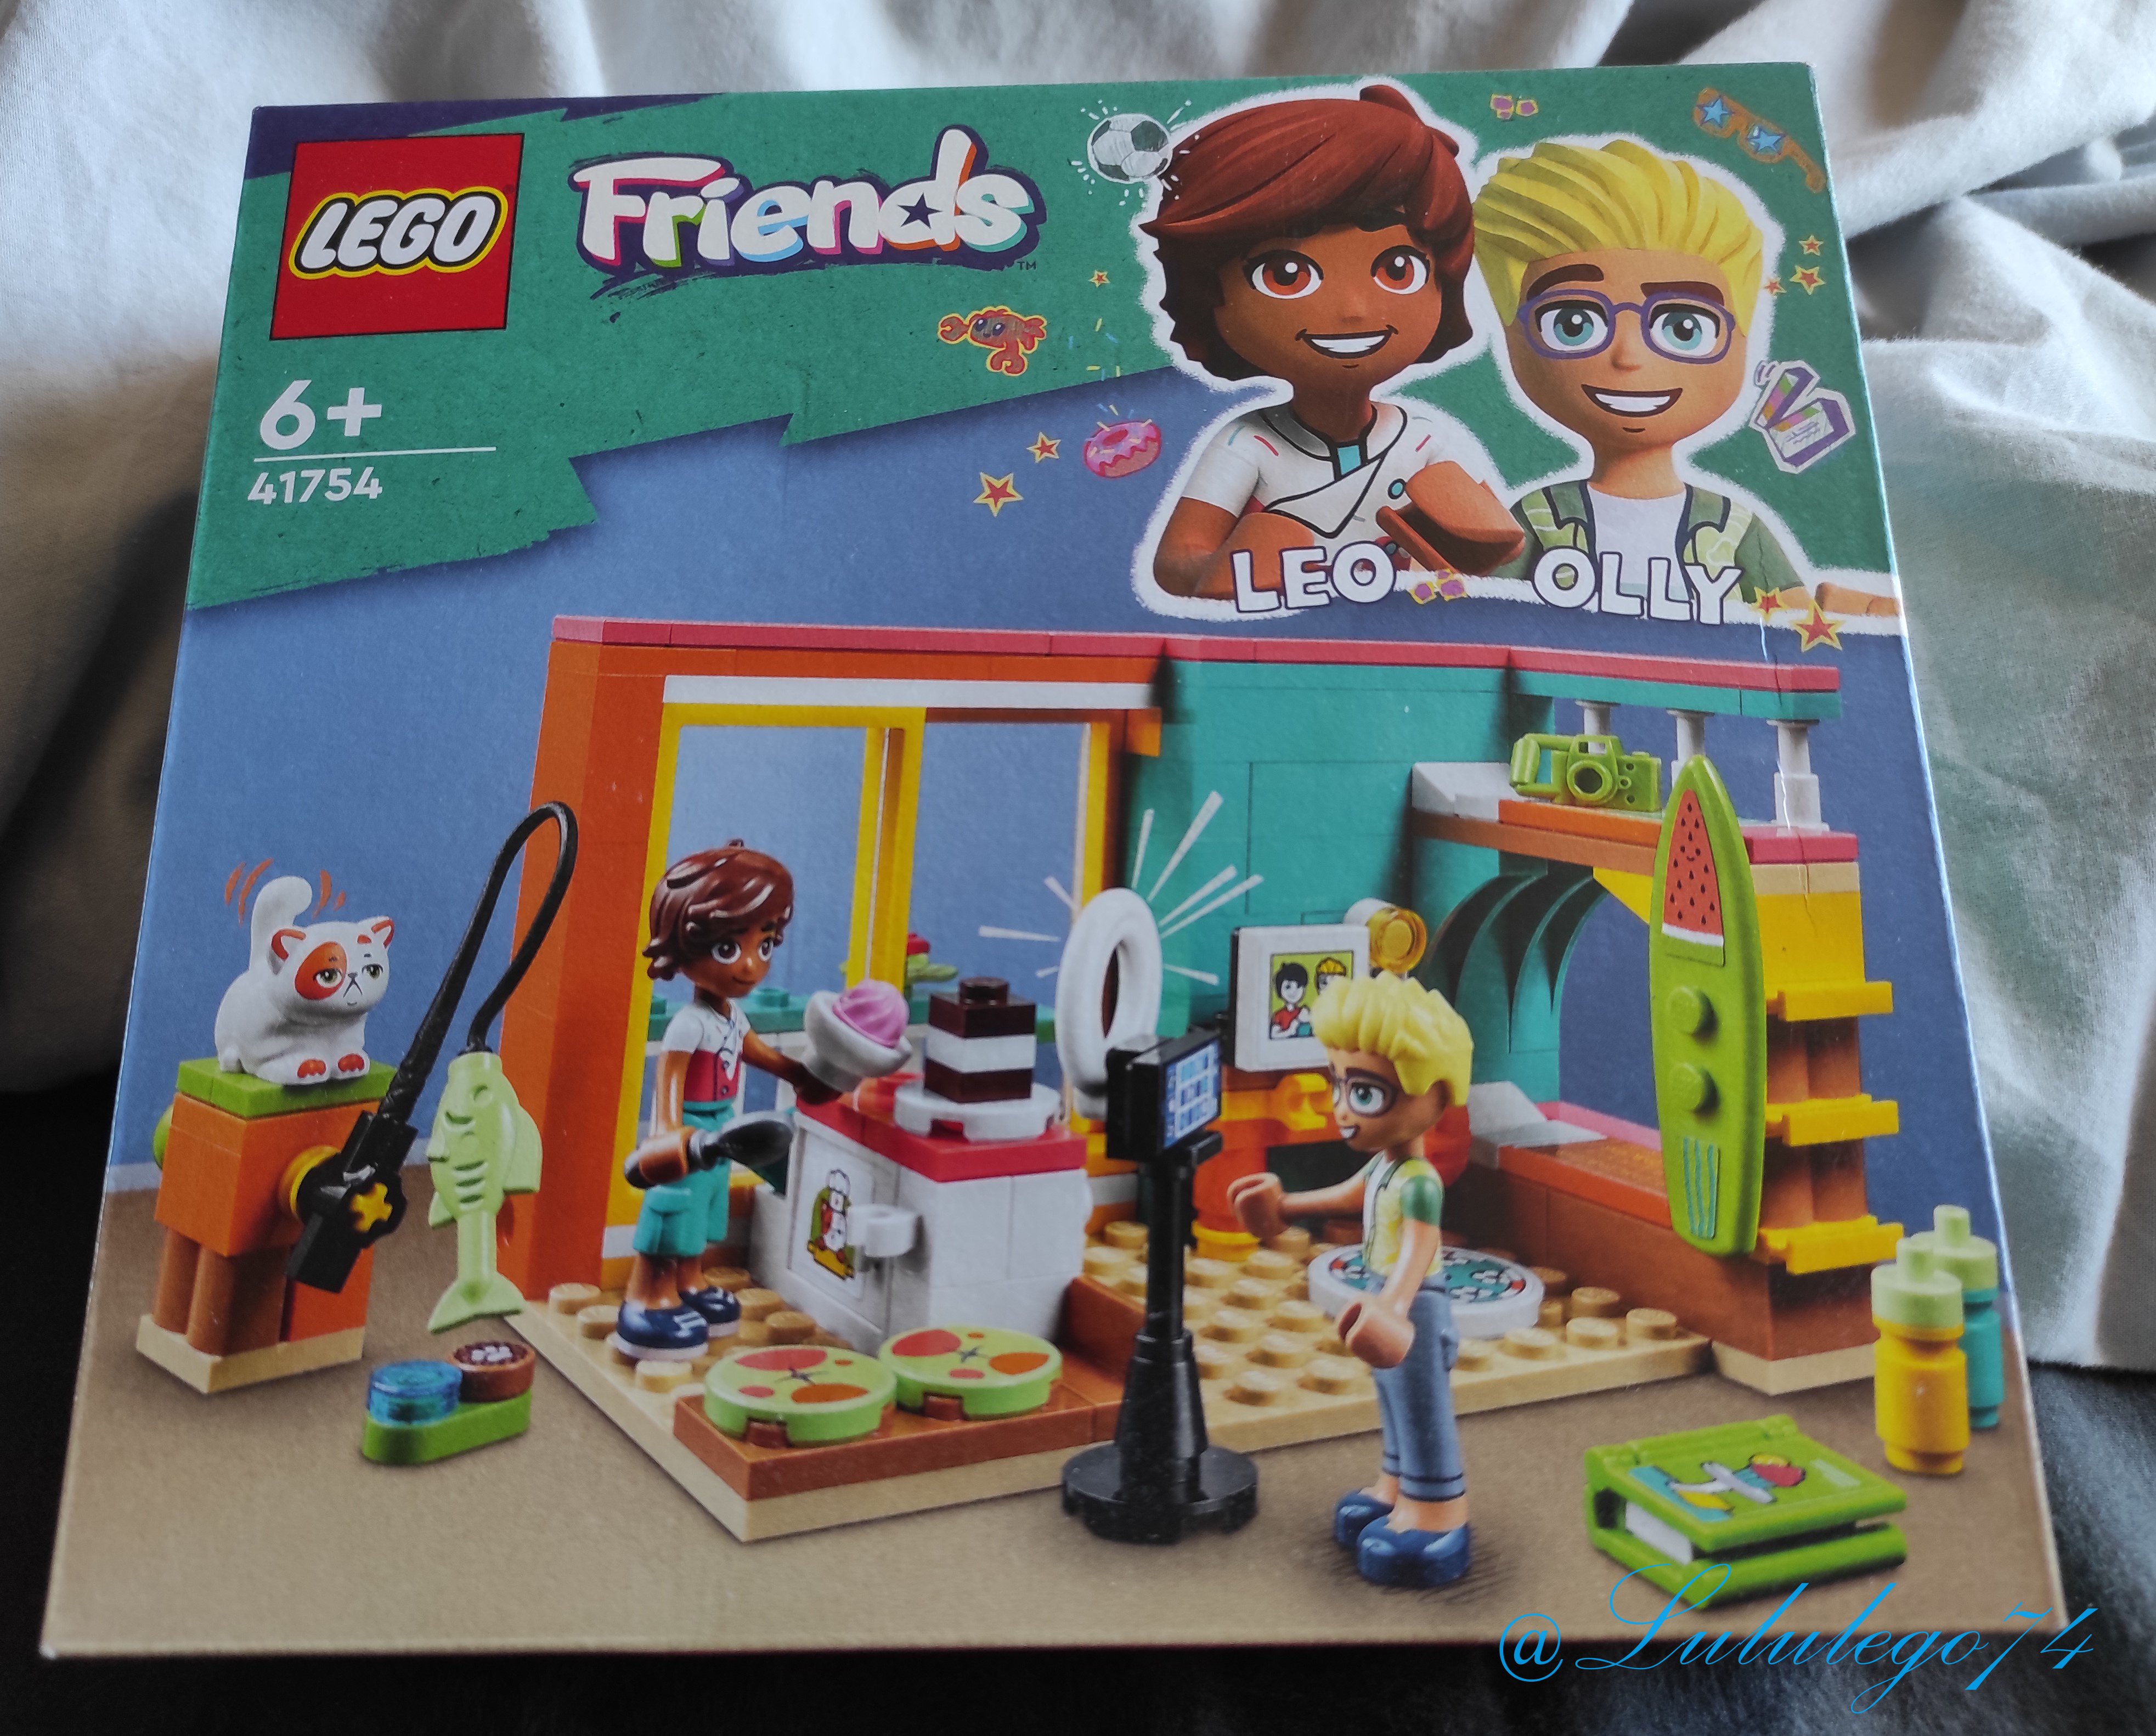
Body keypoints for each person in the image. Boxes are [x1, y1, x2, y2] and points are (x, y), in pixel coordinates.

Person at [1142, 84, 1522, 602]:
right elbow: (1177, 563)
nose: (1354, 310)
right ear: (1208, 292)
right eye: (1286, 274)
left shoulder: (1426, 443)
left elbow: (1502, 553)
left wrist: (1467, 538)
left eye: (1397, 269)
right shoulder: (1250, 444)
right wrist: (1241, 564)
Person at [1472, 138, 1808, 621]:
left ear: (1741, 339)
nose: (1628, 356)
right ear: (1513, 338)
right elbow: (1481, 618)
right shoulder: (1542, 517)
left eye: (1684, 327)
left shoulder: (1734, 528)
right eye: (1573, 323)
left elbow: (1805, 630)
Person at [1228, 970, 1476, 1586]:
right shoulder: (1384, 1169)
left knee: (1421, 1406)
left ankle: (1439, 1512)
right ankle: (1397, 1487)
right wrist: (1285, 1206)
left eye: (1365, 1092)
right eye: (1339, 1083)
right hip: (1384, 1298)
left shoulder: (1419, 1182)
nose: (1341, 1107)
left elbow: (1421, 1244)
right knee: (1393, 1400)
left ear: (1434, 1093)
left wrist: (1395, 1304)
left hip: (1414, 1305)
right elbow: (1347, 1193)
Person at [612, 842, 838, 1359]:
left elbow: (752, 1049)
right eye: (728, 949)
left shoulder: (730, 1017)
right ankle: (647, 1298)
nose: (751, 966)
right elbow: (669, 1084)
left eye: (766, 944)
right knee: (674, 1212)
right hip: (691, 1136)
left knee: (705, 1215)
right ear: (684, 946)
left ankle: (688, 1283)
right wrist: (671, 1134)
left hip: (723, 1135)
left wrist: (798, 1074)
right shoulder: (688, 1024)